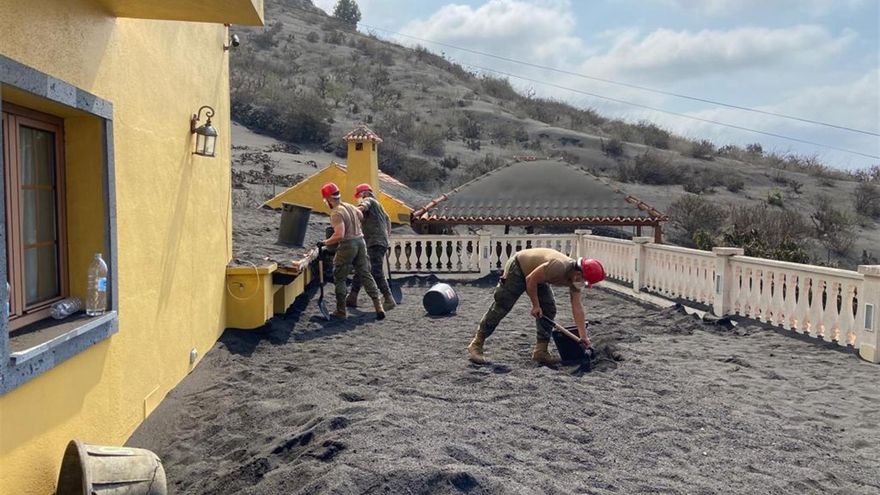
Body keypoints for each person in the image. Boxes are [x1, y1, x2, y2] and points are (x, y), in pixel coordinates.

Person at [467, 248, 605, 365]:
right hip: (519, 267)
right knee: (503, 305)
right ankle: (476, 344)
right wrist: (535, 305)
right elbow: (530, 279)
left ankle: (541, 351)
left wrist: (583, 336)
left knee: (548, 309)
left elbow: (577, 307)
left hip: (537, 275)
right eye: (585, 281)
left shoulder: (576, 281)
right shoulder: (558, 267)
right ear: (578, 274)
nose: (584, 284)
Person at [316, 182, 385, 320]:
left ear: (329, 198)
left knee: (340, 277)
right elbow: (360, 215)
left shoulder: (336, 212)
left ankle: (341, 311)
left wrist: (324, 242)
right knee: (365, 274)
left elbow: (339, 235)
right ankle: (379, 306)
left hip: (348, 244)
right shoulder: (350, 206)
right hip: (361, 242)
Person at [346, 183, 396, 311]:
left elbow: (362, 207)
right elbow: (388, 219)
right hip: (378, 242)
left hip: (374, 243)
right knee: (361, 267)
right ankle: (352, 297)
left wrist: (350, 212)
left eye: (359, 195)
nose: (359, 198)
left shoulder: (368, 200)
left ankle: (389, 299)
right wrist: (386, 235)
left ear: (364, 193)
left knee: (376, 271)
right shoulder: (379, 206)